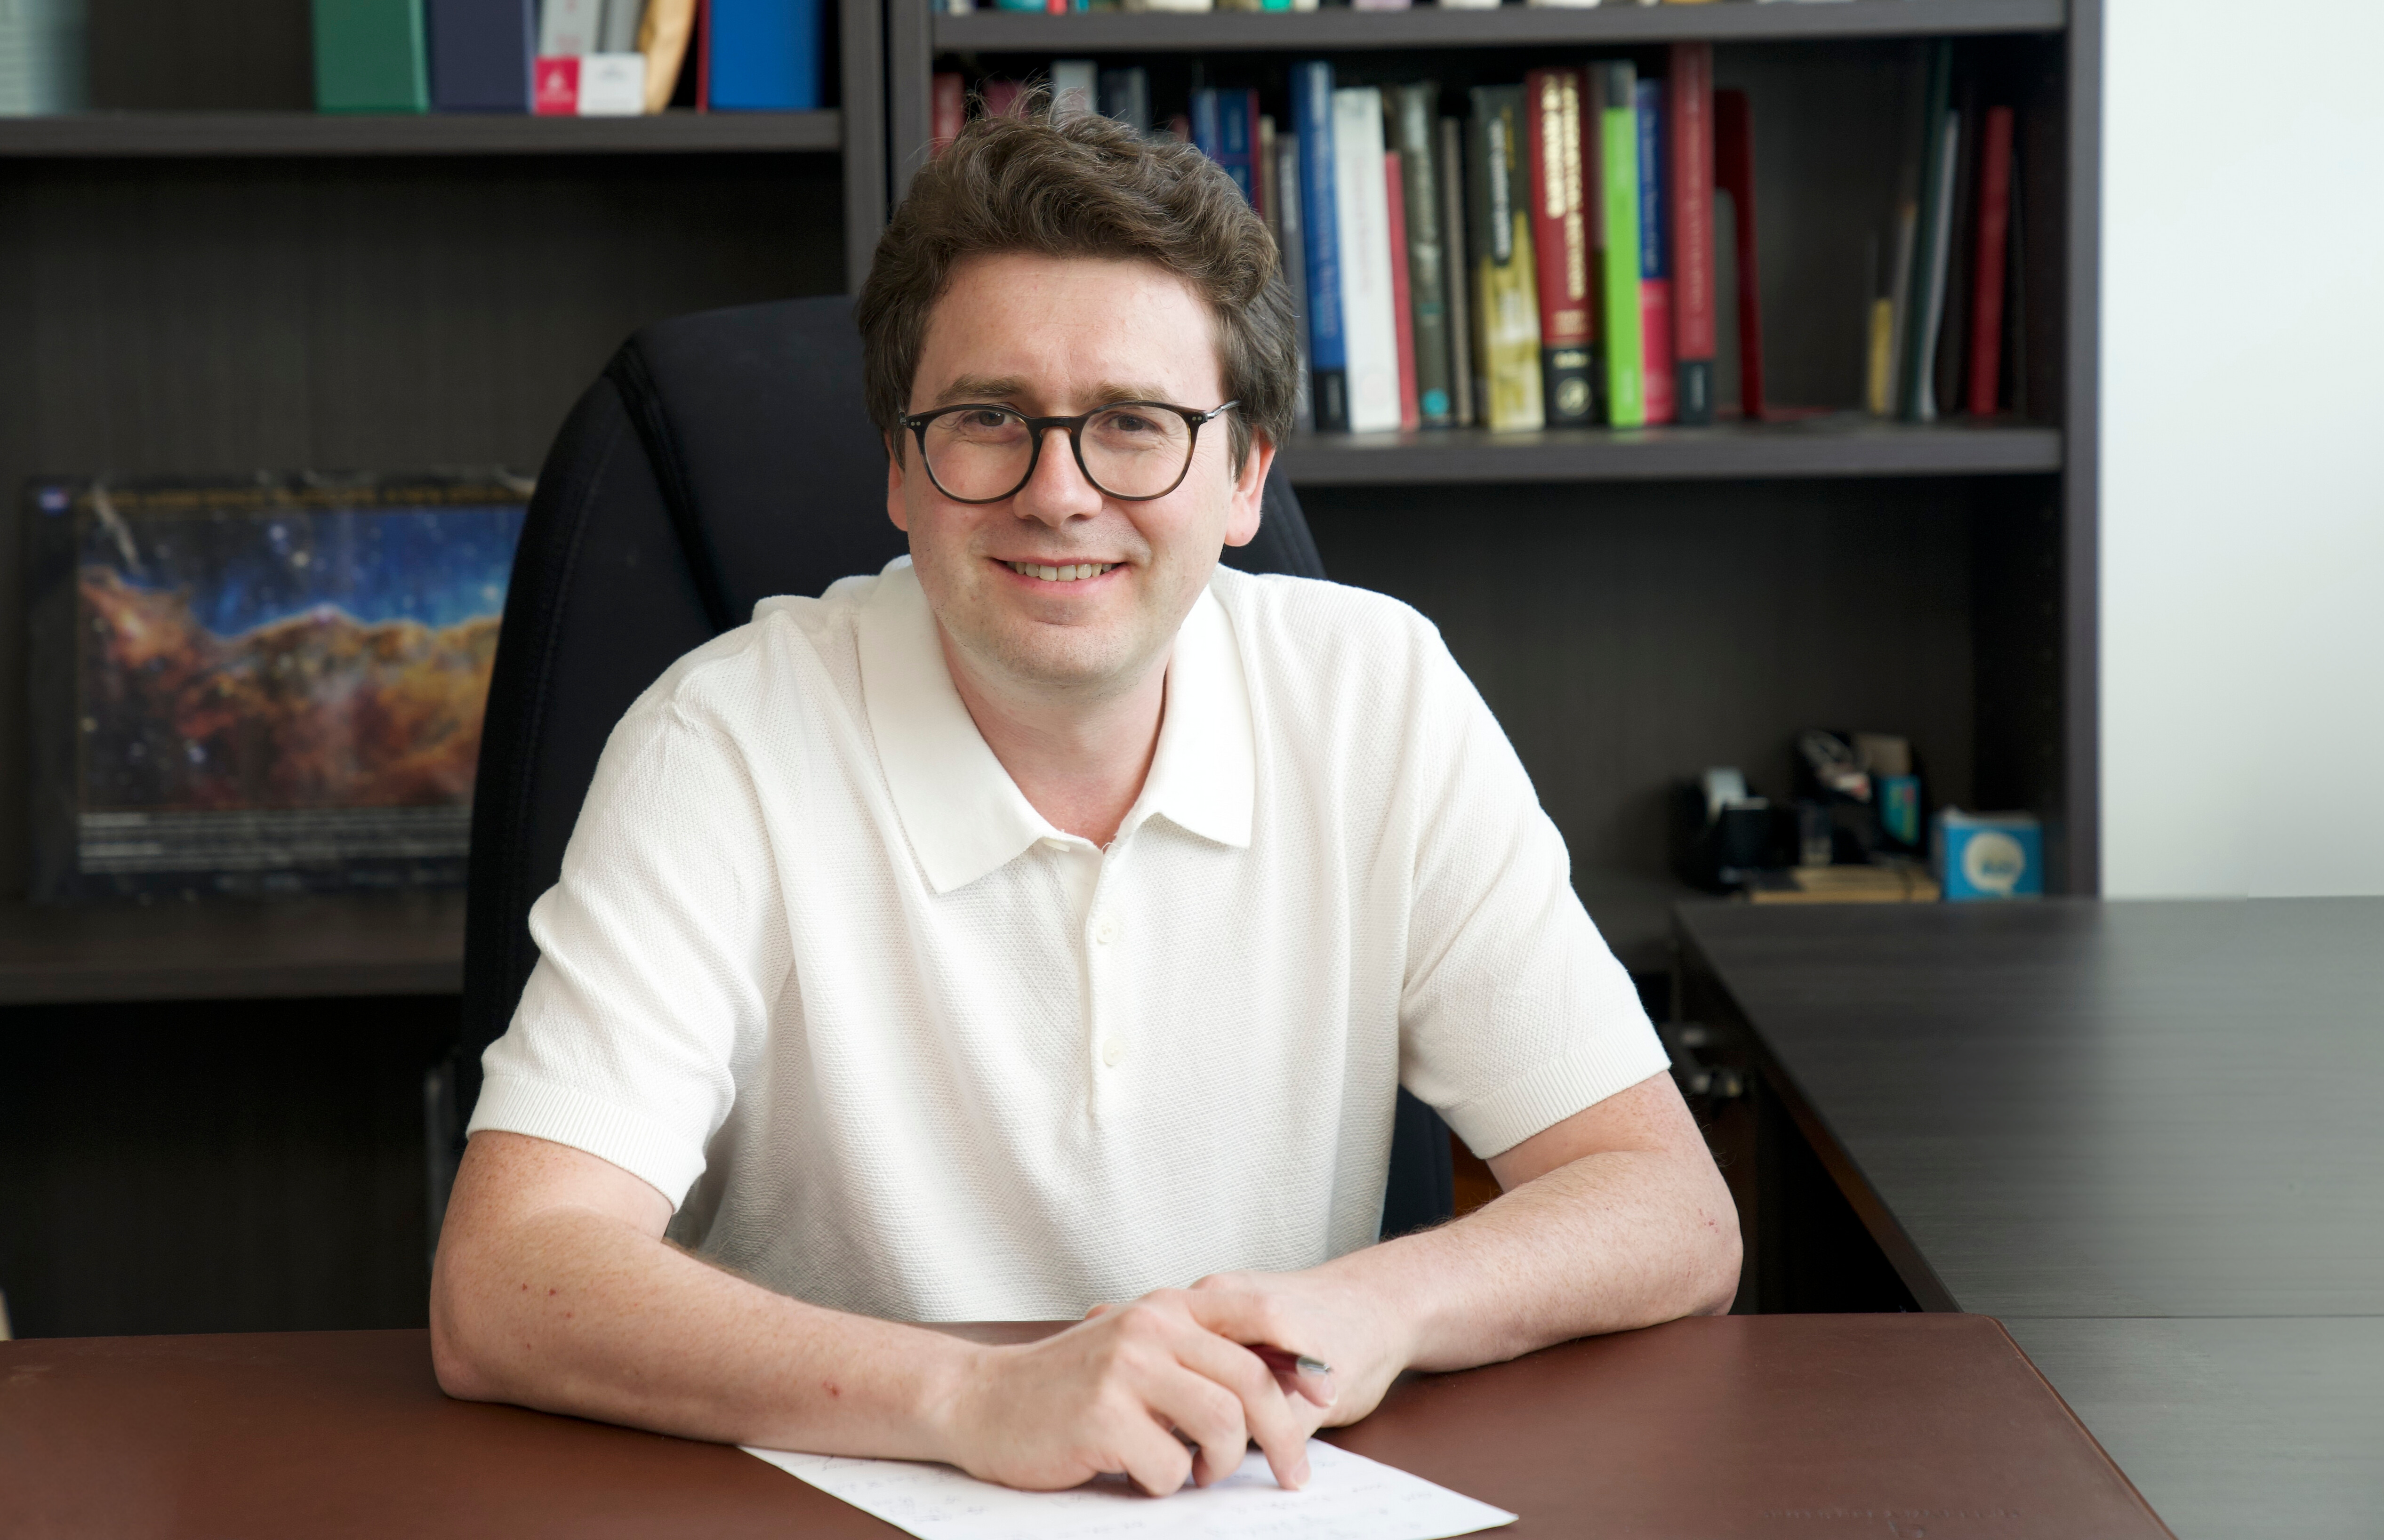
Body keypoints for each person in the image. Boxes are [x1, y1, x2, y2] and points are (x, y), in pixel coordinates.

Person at [430, 108, 1740, 1496]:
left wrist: (1377, 1305)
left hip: (1259, 1493)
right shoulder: (726, 738)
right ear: (897, 465)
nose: (1058, 492)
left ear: (1243, 473)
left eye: (1134, 424)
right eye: (988, 419)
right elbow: (505, 1277)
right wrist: (976, 1395)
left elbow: (1671, 1210)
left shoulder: (1378, 694)